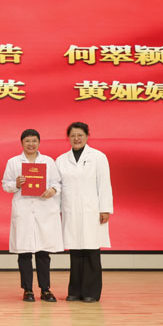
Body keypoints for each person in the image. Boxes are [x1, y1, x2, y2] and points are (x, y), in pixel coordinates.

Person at [1, 129, 63, 303]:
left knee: (43, 253)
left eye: (34, 141)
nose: (31, 144)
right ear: (22, 143)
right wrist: (16, 184)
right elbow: (5, 185)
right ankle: (27, 289)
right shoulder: (14, 162)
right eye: (27, 141)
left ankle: (45, 289)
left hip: (44, 210)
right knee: (24, 252)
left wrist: (53, 190)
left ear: (39, 142)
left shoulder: (48, 161)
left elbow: (57, 183)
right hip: (24, 210)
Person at [56, 122, 113, 303]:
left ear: (87, 136)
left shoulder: (98, 157)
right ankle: (75, 291)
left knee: (91, 250)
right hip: (70, 209)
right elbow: (58, 187)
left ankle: (91, 292)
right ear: (68, 138)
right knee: (75, 250)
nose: (76, 138)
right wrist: (56, 210)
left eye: (80, 135)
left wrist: (105, 209)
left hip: (92, 210)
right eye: (73, 135)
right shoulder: (61, 160)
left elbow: (104, 184)